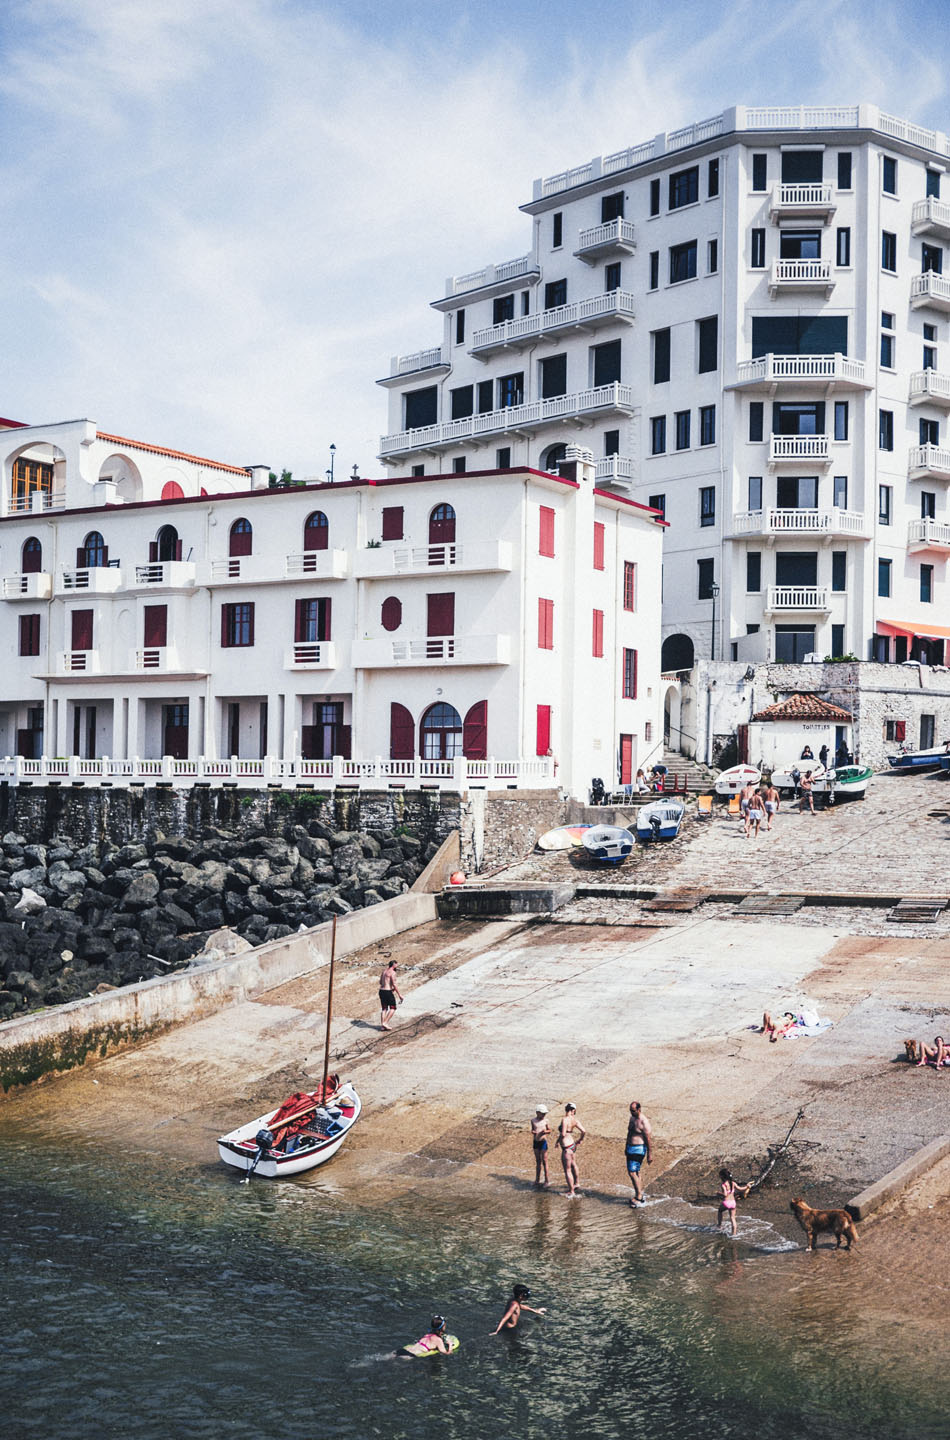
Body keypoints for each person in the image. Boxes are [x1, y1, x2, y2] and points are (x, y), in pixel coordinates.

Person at [624, 1100, 653, 1206]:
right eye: (630, 1111)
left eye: (633, 1111)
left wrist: (649, 1154)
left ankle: (639, 1197)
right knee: (637, 1172)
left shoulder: (643, 1122)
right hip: (630, 1148)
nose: (632, 1112)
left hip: (639, 1149)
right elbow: (629, 1133)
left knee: (632, 1173)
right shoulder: (632, 1118)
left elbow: (648, 1139)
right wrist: (626, 1146)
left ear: (639, 1109)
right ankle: (640, 1192)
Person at [556, 1102, 585, 1197]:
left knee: (567, 1170)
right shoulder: (574, 1120)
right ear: (573, 1110)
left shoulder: (565, 1119)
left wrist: (557, 1142)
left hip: (566, 1147)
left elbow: (563, 1134)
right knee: (574, 1164)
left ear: (566, 1109)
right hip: (572, 1145)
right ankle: (577, 1183)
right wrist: (580, 1139)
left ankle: (571, 1191)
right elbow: (583, 1131)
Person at [717, 1168, 752, 1236]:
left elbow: (725, 1194)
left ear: (722, 1177)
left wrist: (718, 1193)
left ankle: (719, 1225)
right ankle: (734, 1234)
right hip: (733, 1203)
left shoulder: (723, 1184)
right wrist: (747, 1186)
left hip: (726, 1202)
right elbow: (741, 1188)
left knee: (720, 1211)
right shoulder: (733, 1183)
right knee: (732, 1218)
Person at [378, 959, 403, 1030]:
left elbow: (380, 982)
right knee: (393, 1008)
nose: (397, 966)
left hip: (381, 991)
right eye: (396, 965)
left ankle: (382, 1027)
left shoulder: (384, 971)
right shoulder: (392, 972)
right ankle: (385, 1023)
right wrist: (399, 995)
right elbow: (394, 984)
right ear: (394, 965)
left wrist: (388, 985)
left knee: (384, 1009)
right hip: (388, 992)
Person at [531, 1105, 552, 1187]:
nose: (543, 1115)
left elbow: (549, 1130)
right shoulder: (533, 1121)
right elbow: (532, 1129)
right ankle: (537, 1180)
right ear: (537, 1113)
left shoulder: (546, 1121)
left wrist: (545, 1132)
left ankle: (546, 1180)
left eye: (544, 1114)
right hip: (536, 1142)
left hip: (543, 1142)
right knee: (538, 1161)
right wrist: (533, 1132)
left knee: (545, 1161)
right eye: (542, 1114)